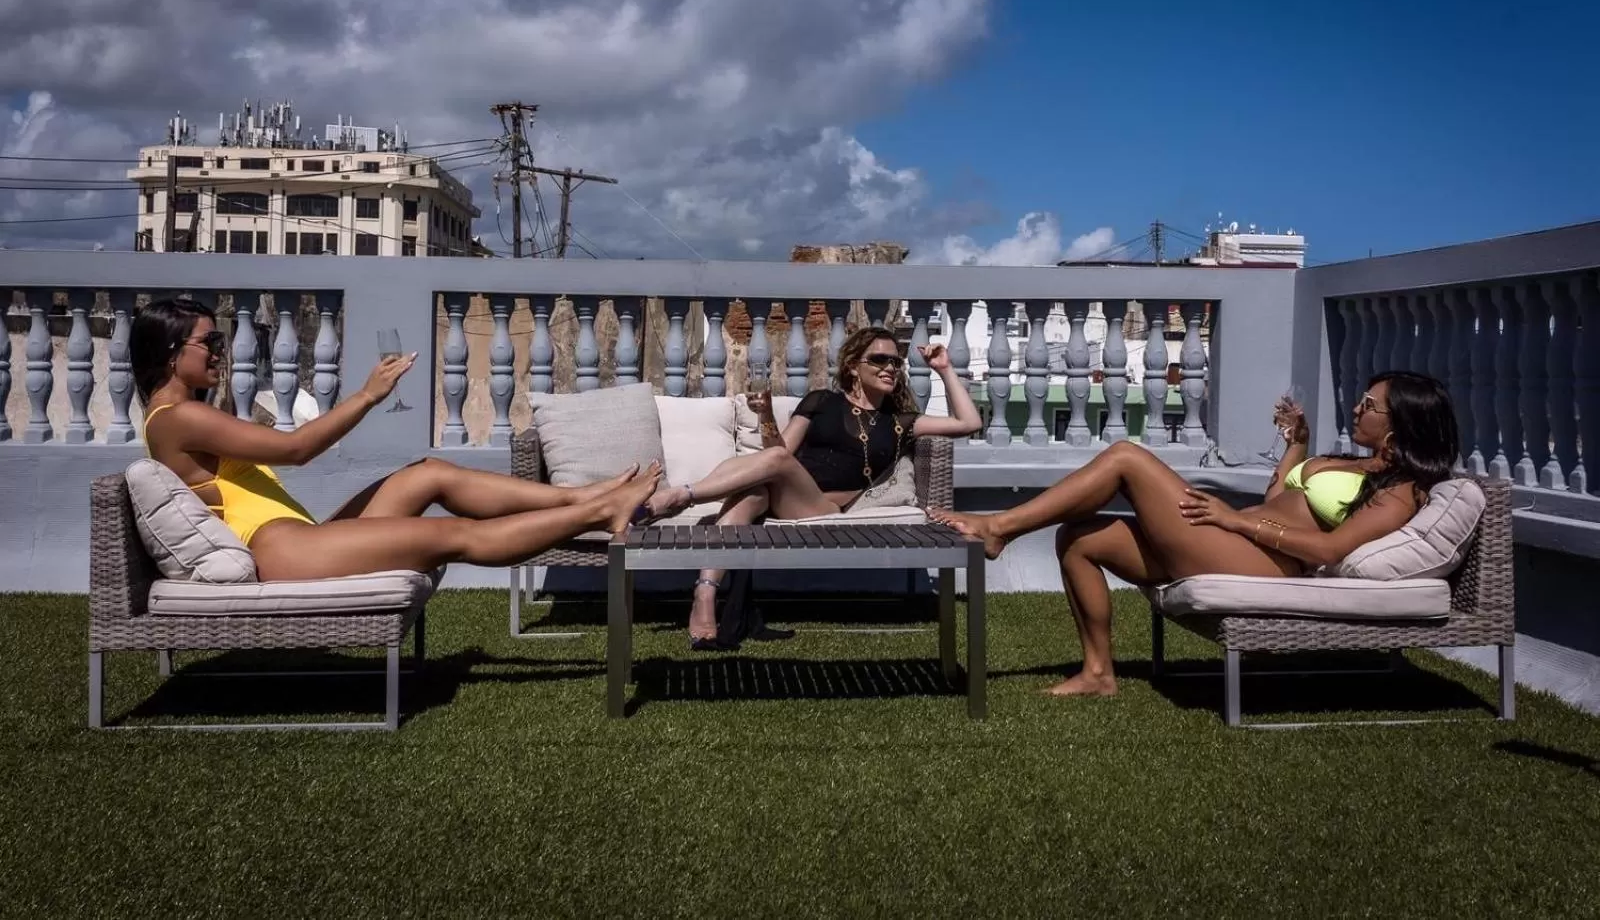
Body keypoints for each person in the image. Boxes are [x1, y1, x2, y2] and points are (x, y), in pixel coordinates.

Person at [931, 371, 1461, 697]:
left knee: (1127, 458)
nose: (1357, 408)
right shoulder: (1354, 462)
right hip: (1241, 538)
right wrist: (1296, 445)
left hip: (1264, 560)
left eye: (1370, 405)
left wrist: (1237, 520)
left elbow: (1327, 547)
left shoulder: (1403, 490)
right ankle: (1098, 673)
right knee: (1081, 537)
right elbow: (1283, 497)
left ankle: (999, 527)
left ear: (1401, 425)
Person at [133, 297, 659, 581]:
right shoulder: (178, 417)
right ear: (173, 351)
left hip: (297, 537)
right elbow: (296, 451)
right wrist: (367, 395)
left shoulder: (183, 415)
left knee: (428, 473)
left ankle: (582, 496)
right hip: (283, 553)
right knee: (451, 537)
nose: (221, 351)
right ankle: (599, 513)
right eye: (210, 342)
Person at [637, 326, 984, 650]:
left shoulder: (901, 422)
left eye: (895, 361)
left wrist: (944, 368)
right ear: (852, 367)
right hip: (781, 493)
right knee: (755, 488)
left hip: (819, 507)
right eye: (879, 360)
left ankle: (682, 495)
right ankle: (706, 593)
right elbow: (781, 450)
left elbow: (969, 422)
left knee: (777, 463)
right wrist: (767, 416)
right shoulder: (820, 401)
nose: (890, 367)